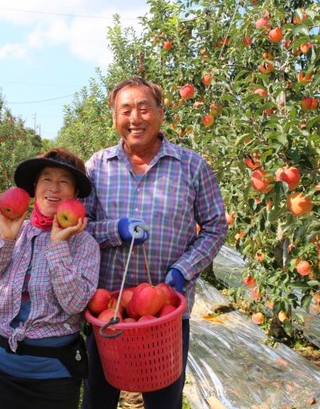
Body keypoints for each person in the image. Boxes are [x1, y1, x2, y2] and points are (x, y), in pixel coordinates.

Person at [80, 76, 228, 409]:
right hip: (109, 310)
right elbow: (79, 230)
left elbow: (216, 225)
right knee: (97, 400)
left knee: (163, 401)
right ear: (114, 117)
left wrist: (183, 271)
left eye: (144, 108)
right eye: (125, 110)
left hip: (165, 314)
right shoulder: (97, 167)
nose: (135, 119)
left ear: (161, 113)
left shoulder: (192, 166)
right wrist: (113, 230)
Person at [0, 148, 100, 409]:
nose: (54, 188)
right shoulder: (14, 229)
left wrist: (57, 247)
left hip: (53, 378)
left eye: (64, 182)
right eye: (47, 180)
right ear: (35, 188)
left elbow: (75, 304)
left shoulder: (84, 244)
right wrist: (5, 240)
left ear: (75, 194)